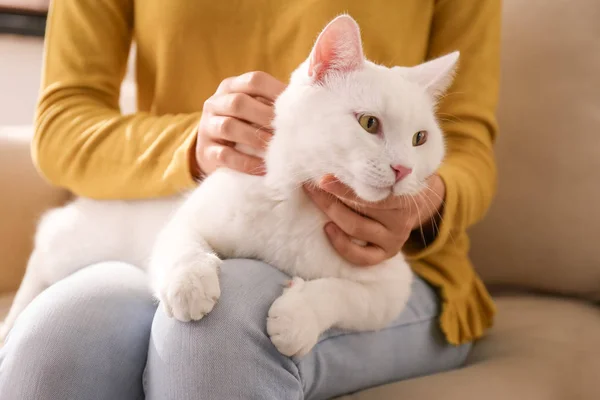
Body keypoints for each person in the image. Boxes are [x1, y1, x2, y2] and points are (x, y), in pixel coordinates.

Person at [0, 1, 501, 399]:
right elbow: (63, 122)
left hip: (393, 267)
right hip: (197, 212)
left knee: (219, 334)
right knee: (58, 337)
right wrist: (195, 144)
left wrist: (423, 202)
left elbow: (472, 149)